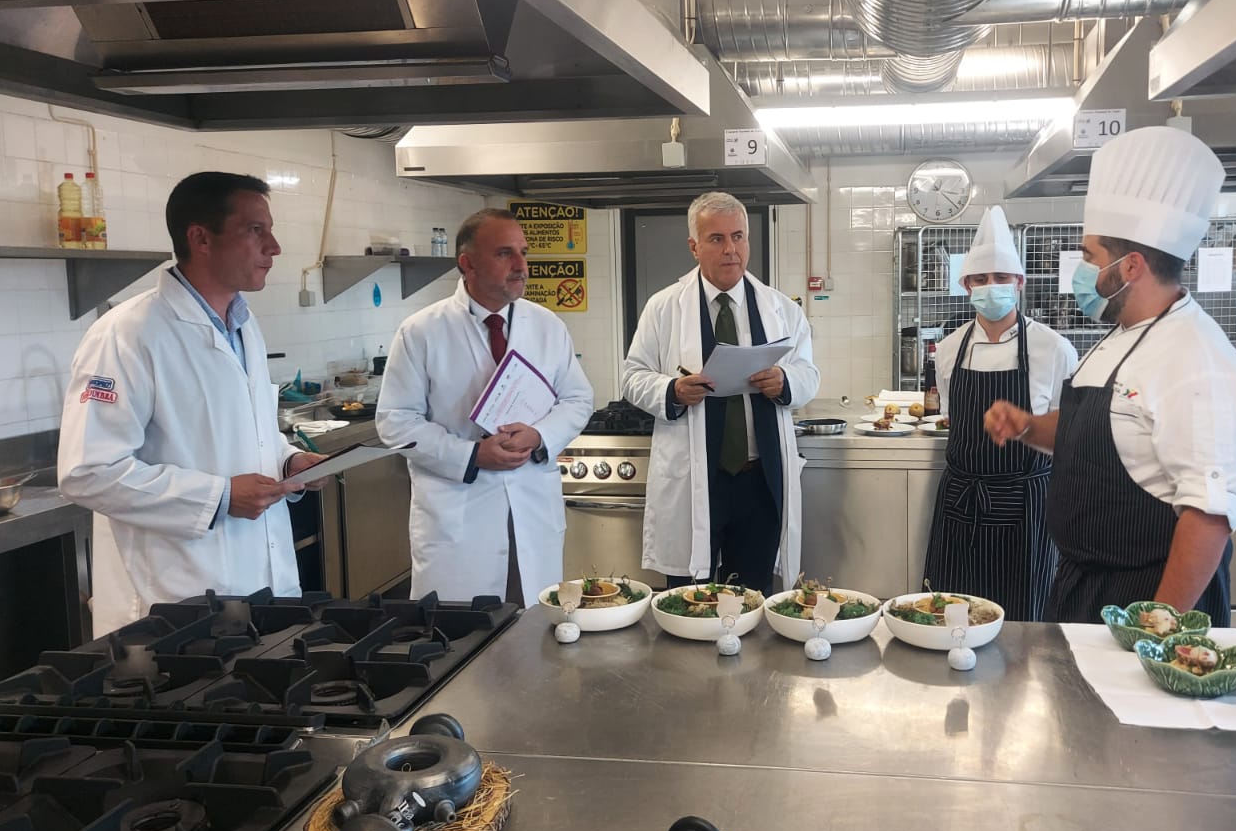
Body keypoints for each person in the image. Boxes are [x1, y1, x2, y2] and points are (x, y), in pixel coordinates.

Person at [984, 127, 1236, 624]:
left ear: (1131, 267)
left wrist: (1156, 625)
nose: (1083, 269)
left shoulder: (1196, 358)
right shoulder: (1121, 334)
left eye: (1091, 256)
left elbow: (1209, 515)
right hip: (1083, 585)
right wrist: (1027, 426)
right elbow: (1094, 433)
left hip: (1146, 596)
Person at [59, 171, 328, 636]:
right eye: (255, 230)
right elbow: (88, 473)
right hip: (175, 602)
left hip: (263, 588)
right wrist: (219, 497)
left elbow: (247, 435)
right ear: (201, 238)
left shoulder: (244, 325)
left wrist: (288, 462)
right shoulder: (128, 333)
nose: (274, 247)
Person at [377, 208, 593, 604]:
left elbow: (578, 399)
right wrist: (472, 455)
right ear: (467, 264)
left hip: (531, 503)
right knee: (459, 629)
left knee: (533, 621)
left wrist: (539, 434)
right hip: (459, 512)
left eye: (523, 253)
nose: (521, 266)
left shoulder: (547, 326)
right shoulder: (422, 331)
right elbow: (396, 421)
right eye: (504, 254)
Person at [622, 192, 820, 592]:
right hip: (695, 477)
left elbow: (808, 374)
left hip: (758, 480)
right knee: (689, 596)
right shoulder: (664, 307)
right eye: (716, 239)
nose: (731, 249)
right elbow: (632, 376)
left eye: (738, 236)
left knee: (753, 596)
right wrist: (672, 390)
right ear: (694, 247)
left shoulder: (781, 308)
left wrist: (785, 382)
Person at [922, 207, 1077, 621]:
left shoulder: (1054, 349)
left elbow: (1067, 435)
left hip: (1027, 508)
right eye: (980, 279)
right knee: (950, 616)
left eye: (1001, 277)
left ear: (1019, 283)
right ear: (966, 285)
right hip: (961, 503)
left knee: (1024, 624)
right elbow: (954, 420)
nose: (991, 287)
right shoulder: (949, 350)